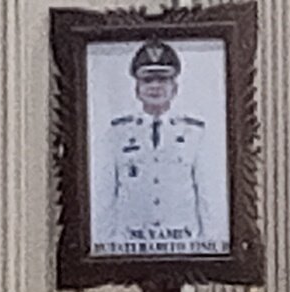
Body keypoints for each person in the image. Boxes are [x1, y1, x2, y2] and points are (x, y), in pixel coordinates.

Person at [92, 39, 225, 255]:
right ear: (137, 88)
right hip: (131, 247)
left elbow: (207, 195)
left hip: (183, 245)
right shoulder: (117, 134)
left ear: (175, 87)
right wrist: (104, 247)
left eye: (163, 79)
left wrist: (210, 246)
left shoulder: (194, 134)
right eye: (147, 80)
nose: (155, 87)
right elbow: (105, 196)